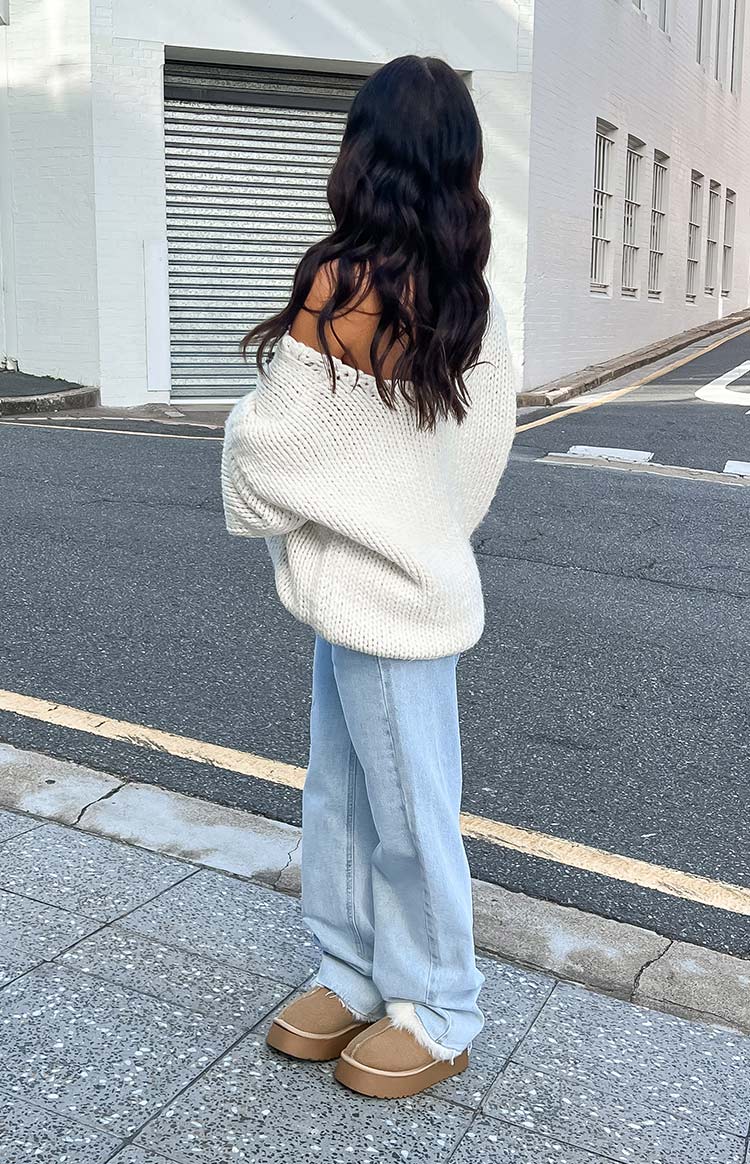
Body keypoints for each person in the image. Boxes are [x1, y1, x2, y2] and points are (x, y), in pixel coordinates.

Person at [221, 54, 516, 1099]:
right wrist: (416, 532)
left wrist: (256, 426)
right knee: (358, 799)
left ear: (363, 151)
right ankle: (351, 975)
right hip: (407, 586)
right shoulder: (478, 296)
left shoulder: (339, 282)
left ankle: (438, 1008)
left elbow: (268, 461)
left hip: (370, 596)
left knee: (393, 810)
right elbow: (469, 466)